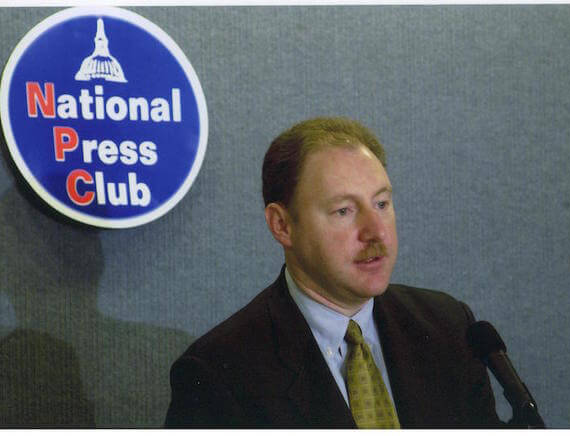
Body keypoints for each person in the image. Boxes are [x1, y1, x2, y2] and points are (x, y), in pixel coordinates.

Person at [165, 117, 503, 428]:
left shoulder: (448, 327)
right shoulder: (219, 374)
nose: (376, 232)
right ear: (282, 225)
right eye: (344, 210)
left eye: (382, 204)